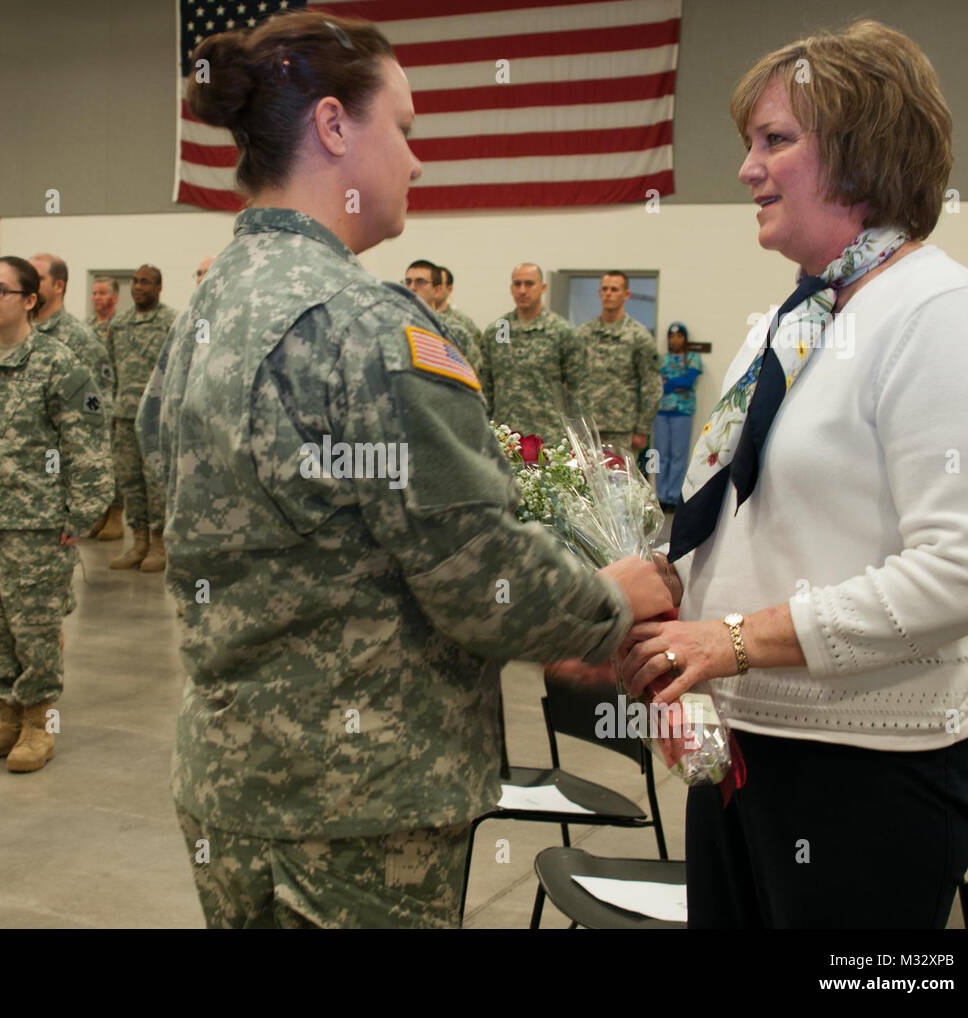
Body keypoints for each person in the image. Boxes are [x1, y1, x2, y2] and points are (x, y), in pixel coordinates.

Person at [139, 10, 672, 929]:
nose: (418, 162)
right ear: (336, 127)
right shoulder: (368, 326)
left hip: (229, 783)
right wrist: (609, 601)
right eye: (407, 128)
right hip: (359, 807)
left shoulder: (208, 310)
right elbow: (477, 572)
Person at [620, 20, 968, 928]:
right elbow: (753, 511)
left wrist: (735, 642)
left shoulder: (939, 313)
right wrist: (669, 585)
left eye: (775, 141)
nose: (747, 170)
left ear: (865, 154)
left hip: (868, 770)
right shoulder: (790, 319)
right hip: (744, 750)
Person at [0, 257, 112, 773]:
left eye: (1, 289)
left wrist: (81, 515)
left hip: (37, 521)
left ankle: (38, 723)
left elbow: (87, 444)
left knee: (34, 625)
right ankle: (6, 716)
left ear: (29, 300)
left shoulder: (58, 363)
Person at [28, 253, 121, 540]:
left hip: (54, 471)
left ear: (58, 286)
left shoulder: (80, 338)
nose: (29, 283)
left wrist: (84, 499)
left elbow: (95, 412)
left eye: (38, 278)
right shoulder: (16, 333)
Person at [106, 264, 176, 571]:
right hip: (124, 417)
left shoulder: (170, 322)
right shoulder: (119, 324)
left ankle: (160, 545)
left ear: (159, 288)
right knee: (130, 481)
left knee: (156, 483)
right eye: (135, 282)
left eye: (145, 282)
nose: (138, 287)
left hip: (155, 419)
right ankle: (139, 542)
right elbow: (110, 370)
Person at [479, 263, 578, 459]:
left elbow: (578, 388)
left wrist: (575, 438)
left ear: (542, 288)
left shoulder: (561, 331)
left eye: (529, 284)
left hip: (549, 439)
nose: (522, 290)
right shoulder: (497, 331)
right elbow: (485, 387)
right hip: (505, 440)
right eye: (517, 284)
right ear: (511, 288)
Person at [572, 271, 661, 453]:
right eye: (604, 289)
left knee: (617, 480)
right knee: (581, 480)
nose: (608, 294)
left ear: (626, 294)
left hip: (620, 429)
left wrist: (642, 429)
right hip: (586, 426)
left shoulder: (638, 335)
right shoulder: (583, 333)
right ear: (599, 293)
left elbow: (652, 386)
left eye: (614, 289)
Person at [651, 321, 701, 511]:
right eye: (671, 336)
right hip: (661, 411)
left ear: (685, 338)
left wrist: (669, 384)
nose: (675, 339)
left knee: (678, 454)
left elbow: (688, 381)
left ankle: (673, 497)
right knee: (661, 454)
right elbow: (656, 382)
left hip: (682, 411)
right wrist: (674, 384)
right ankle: (661, 496)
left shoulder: (693, 358)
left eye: (679, 336)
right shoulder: (661, 359)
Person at [402, 259, 480, 370]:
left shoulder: (455, 330)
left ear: (437, 290)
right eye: (408, 282)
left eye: (420, 282)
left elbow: (473, 375)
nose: (412, 288)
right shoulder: (398, 327)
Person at [433, 265, 483, 371]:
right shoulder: (418, 319)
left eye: (439, 284)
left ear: (449, 289)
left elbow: (477, 360)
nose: (435, 288)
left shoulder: (463, 322)